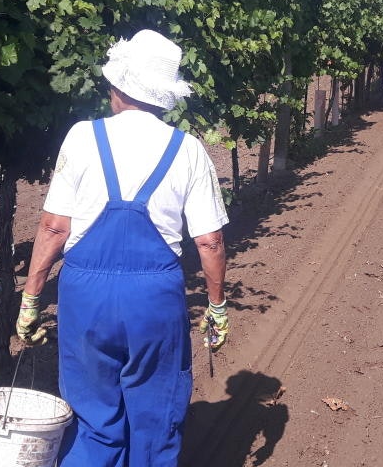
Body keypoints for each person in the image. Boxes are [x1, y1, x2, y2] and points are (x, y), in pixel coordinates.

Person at [16, 29, 231, 466]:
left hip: (85, 296)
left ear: (117, 87)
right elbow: (209, 240)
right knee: (155, 420)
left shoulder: (82, 137)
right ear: (164, 97)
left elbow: (54, 227)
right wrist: (217, 306)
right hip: (153, 300)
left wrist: (31, 297)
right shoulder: (188, 150)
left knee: (92, 418)